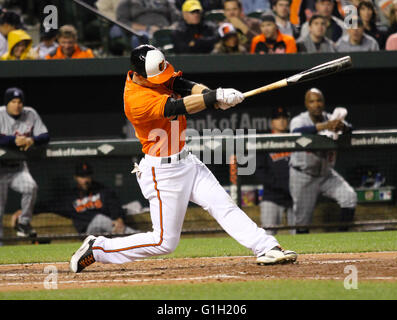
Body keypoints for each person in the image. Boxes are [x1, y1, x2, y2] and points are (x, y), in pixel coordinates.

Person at [69, 44, 297, 273]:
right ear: (139, 75)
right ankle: (98, 248)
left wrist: (213, 96)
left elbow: (181, 85)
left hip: (187, 161)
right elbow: (176, 106)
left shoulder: (154, 72)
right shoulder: (135, 100)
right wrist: (213, 97)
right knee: (164, 242)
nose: (162, 78)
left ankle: (267, 247)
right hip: (162, 173)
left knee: (223, 205)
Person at [289, 88, 357, 233]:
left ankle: (342, 238)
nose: (316, 104)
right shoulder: (299, 120)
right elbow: (296, 132)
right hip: (303, 176)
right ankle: (304, 251)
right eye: (312, 101)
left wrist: (342, 127)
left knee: (349, 197)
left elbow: (351, 128)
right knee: (302, 222)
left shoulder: (330, 118)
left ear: (323, 103)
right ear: (306, 104)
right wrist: (325, 126)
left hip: (326, 175)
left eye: (319, 100)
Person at [0, 88, 50, 244]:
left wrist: (32, 140)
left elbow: (45, 135)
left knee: (31, 187)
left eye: (19, 102)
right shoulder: (0, 114)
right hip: (0, 169)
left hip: (18, 168)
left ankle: (23, 223)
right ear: (7, 103)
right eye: (13, 102)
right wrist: (13, 141)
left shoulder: (30, 113)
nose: (17, 105)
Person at [34, 161, 138, 236]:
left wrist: (119, 218)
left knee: (106, 222)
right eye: (82, 177)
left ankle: (133, 237)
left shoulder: (101, 190)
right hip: (88, 233)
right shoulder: (70, 197)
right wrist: (26, 210)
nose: (85, 180)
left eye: (87, 176)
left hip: (108, 230)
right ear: (76, 177)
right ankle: (136, 237)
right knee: (99, 219)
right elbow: (48, 206)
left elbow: (114, 204)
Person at [256, 106, 294, 235]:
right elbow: (260, 171)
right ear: (272, 122)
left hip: (295, 196)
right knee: (267, 236)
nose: (281, 121)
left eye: (284, 118)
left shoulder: (295, 140)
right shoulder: (265, 141)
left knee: (300, 233)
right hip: (272, 196)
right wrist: (280, 185)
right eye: (277, 118)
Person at [115, 0, 180, 48]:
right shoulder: (127, 2)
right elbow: (122, 22)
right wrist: (147, 28)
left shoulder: (167, 2)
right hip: (142, 33)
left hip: (165, 30)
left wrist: (171, 28)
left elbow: (178, 19)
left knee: (180, 35)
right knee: (138, 39)